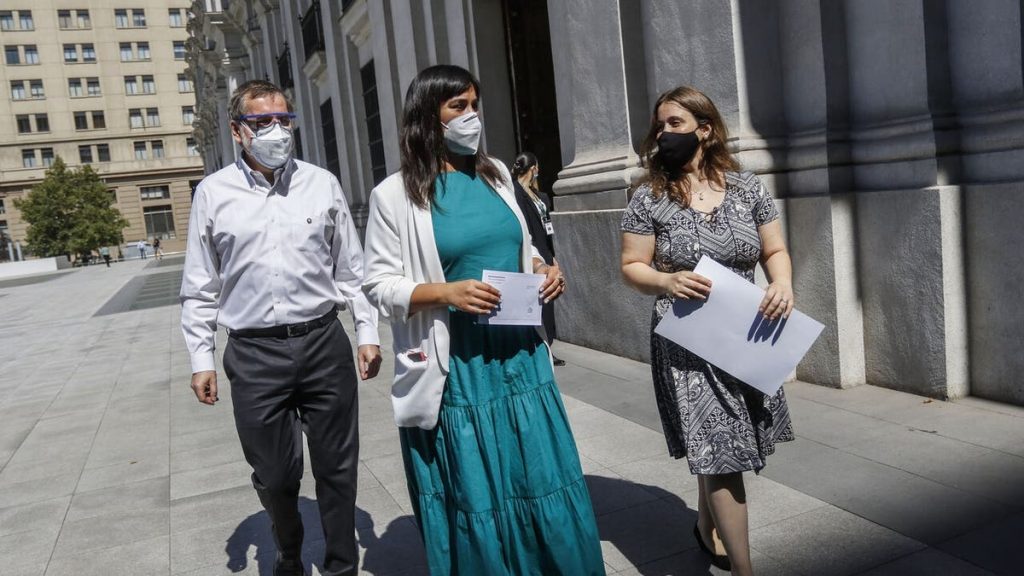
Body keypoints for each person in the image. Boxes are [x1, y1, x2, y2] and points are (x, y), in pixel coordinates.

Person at [362, 64, 604, 576]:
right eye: (458, 107)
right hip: (458, 363)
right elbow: (378, 285)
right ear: (428, 117)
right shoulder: (394, 195)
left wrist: (542, 269)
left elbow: (521, 249)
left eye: (475, 104)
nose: (471, 117)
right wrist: (445, 292)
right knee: (478, 482)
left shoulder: (495, 173)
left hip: (519, 353)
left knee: (539, 470)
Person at [180, 79, 382, 576]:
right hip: (253, 354)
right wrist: (200, 358)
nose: (276, 130)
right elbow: (201, 284)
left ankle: (340, 566)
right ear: (237, 131)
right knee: (274, 474)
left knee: (337, 467)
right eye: (261, 121)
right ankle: (288, 550)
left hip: (321, 342)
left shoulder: (321, 182)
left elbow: (351, 270)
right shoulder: (213, 193)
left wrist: (367, 331)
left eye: (283, 120)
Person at [620, 86, 796, 576]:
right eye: (659, 125)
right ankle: (745, 569)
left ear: (705, 129)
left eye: (674, 123)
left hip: (743, 333)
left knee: (718, 446)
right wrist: (665, 278)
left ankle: (704, 525)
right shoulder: (648, 197)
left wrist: (782, 283)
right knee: (721, 450)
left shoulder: (748, 189)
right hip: (687, 341)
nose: (662, 133)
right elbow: (631, 266)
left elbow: (774, 251)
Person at [511, 152, 566, 366]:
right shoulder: (515, 193)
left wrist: (552, 257)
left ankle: (548, 346)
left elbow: (547, 228)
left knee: (548, 302)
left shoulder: (540, 196)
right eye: (537, 166)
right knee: (535, 302)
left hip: (544, 251)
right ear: (533, 167)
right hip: (530, 251)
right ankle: (539, 348)